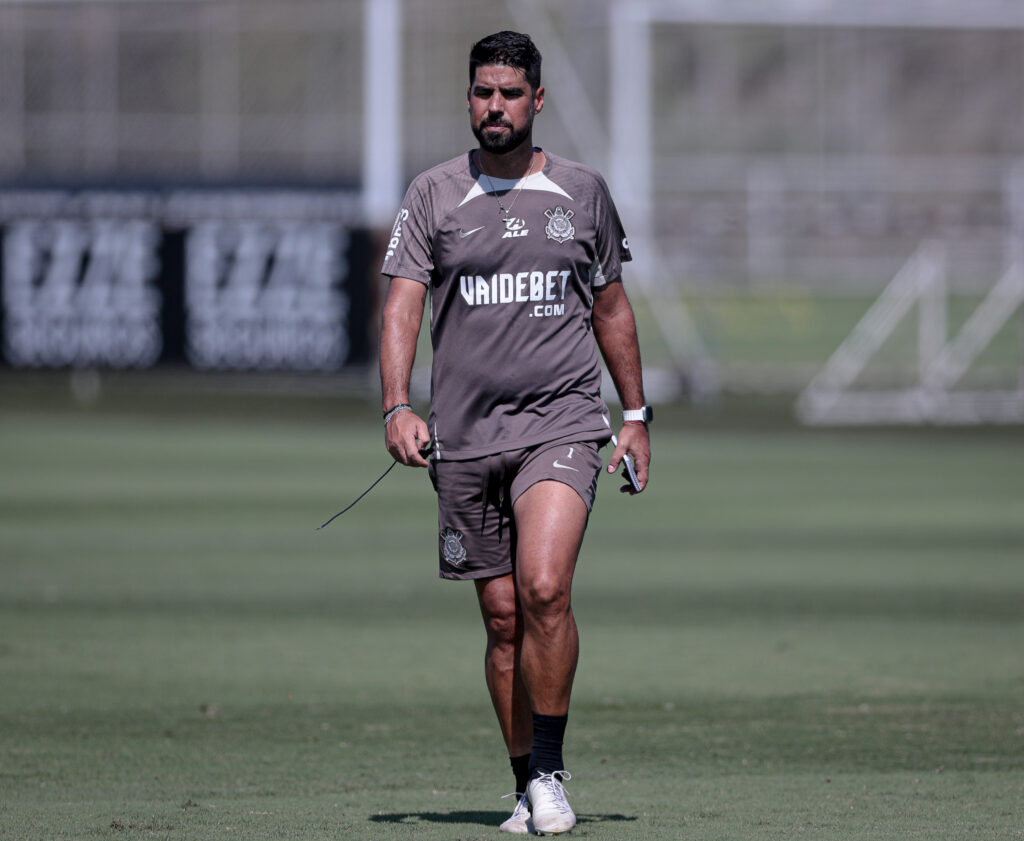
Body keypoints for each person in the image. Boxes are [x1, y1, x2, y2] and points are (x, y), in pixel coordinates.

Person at [378, 30, 651, 836]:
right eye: (482, 92)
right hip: (463, 438)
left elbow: (611, 308)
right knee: (502, 620)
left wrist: (634, 416)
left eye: (509, 93)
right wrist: (397, 404)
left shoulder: (583, 192)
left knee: (543, 589)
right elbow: (401, 302)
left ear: (538, 101)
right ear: (470, 99)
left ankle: (552, 772)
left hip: (562, 424)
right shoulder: (430, 194)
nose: (494, 106)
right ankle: (525, 785)